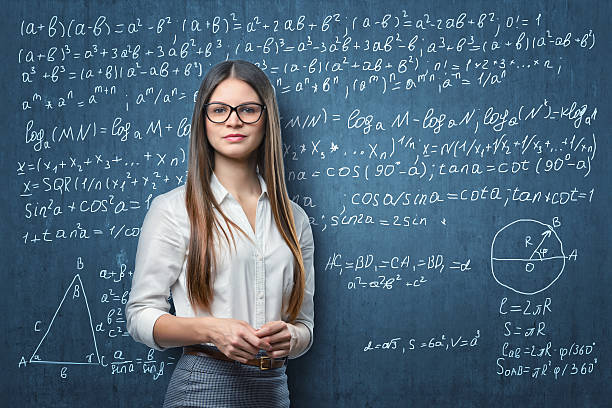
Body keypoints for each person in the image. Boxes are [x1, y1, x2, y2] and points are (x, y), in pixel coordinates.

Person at [125, 59, 315, 407]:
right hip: (202, 388)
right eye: (219, 109)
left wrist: (292, 337)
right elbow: (140, 316)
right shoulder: (172, 209)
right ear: (203, 119)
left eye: (247, 109)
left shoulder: (294, 218)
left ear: (266, 119)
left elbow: (304, 325)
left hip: (274, 391)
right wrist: (211, 329)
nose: (233, 120)